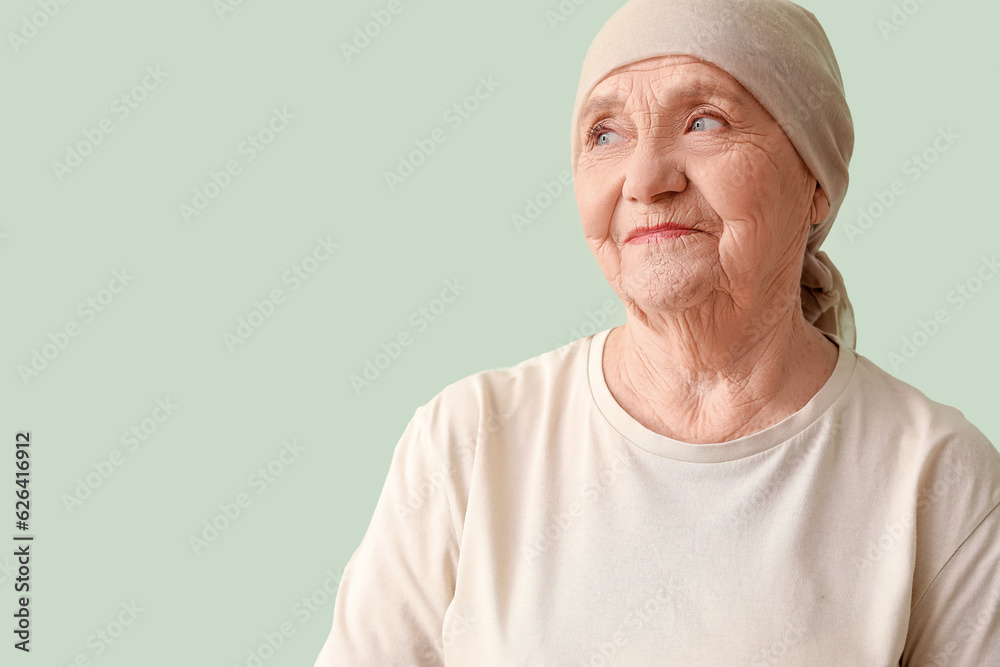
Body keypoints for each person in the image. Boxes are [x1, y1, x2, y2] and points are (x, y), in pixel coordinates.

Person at [315, 0, 1000, 664]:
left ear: (815, 181)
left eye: (705, 122)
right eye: (604, 134)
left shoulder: (940, 476)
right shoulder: (468, 440)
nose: (644, 178)